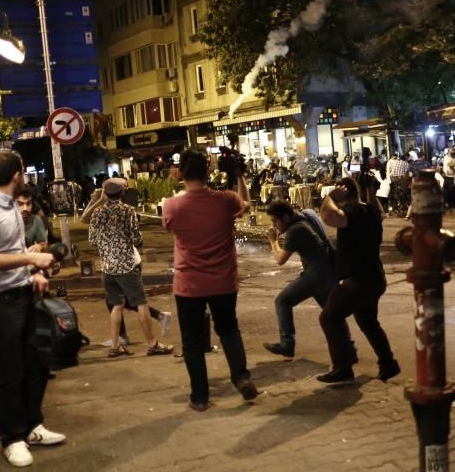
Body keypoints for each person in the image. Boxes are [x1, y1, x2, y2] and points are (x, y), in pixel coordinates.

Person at [0, 150, 64, 467]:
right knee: (11, 373)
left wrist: (32, 273)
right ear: (16, 176)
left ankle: (33, 426)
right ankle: (12, 439)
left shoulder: (9, 206)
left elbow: (10, 251)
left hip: (22, 295)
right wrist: (31, 259)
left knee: (37, 366)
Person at [162, 150, 258, 411]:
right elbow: (246, 205)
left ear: (180, 173)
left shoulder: (172, 205)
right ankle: (241, 376)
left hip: (188, 283)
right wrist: (239, 176)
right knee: (228, 329)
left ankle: (200, 397)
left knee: (192, 341)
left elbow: (169, 226)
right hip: (223, 281)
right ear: (208, 173)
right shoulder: (225, 199)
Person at [317, 176, 400, 384]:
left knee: (329, 317)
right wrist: (370, 191)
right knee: (368, 322)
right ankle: (388, 363)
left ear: (343, 191)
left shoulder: (353, 211)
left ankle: (342, 367)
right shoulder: (371, 211)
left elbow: (329, 217)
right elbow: (376, 208)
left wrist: (329, 197)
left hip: (357, 280)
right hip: (373, 277)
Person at [88, 178, 173, 358]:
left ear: (105, 194)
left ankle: (115, 346)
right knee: (141, 304)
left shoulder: (96, 213)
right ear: (122, 193)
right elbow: (136, 239)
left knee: (116, 305)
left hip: (108, 268)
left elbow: (92, 241)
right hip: (127, 266)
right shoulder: (127, 211)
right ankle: (152, 344)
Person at [263, 201, 352, 358]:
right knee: (331, 313)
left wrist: (273, 241)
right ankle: (348, 349)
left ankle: (287, 344)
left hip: (316, 274)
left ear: (285, 217)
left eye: (275, 221)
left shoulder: (295, 230)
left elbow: (280, 259)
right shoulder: (307, 214)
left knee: (282, 301)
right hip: (328, 270)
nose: (274, 225)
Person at [15, 186, 48, 251]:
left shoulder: (35, 220)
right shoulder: (3, 221)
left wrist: (40, 246)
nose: (25, 208)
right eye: (20, 204)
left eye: (28, 203)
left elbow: (44, 244)